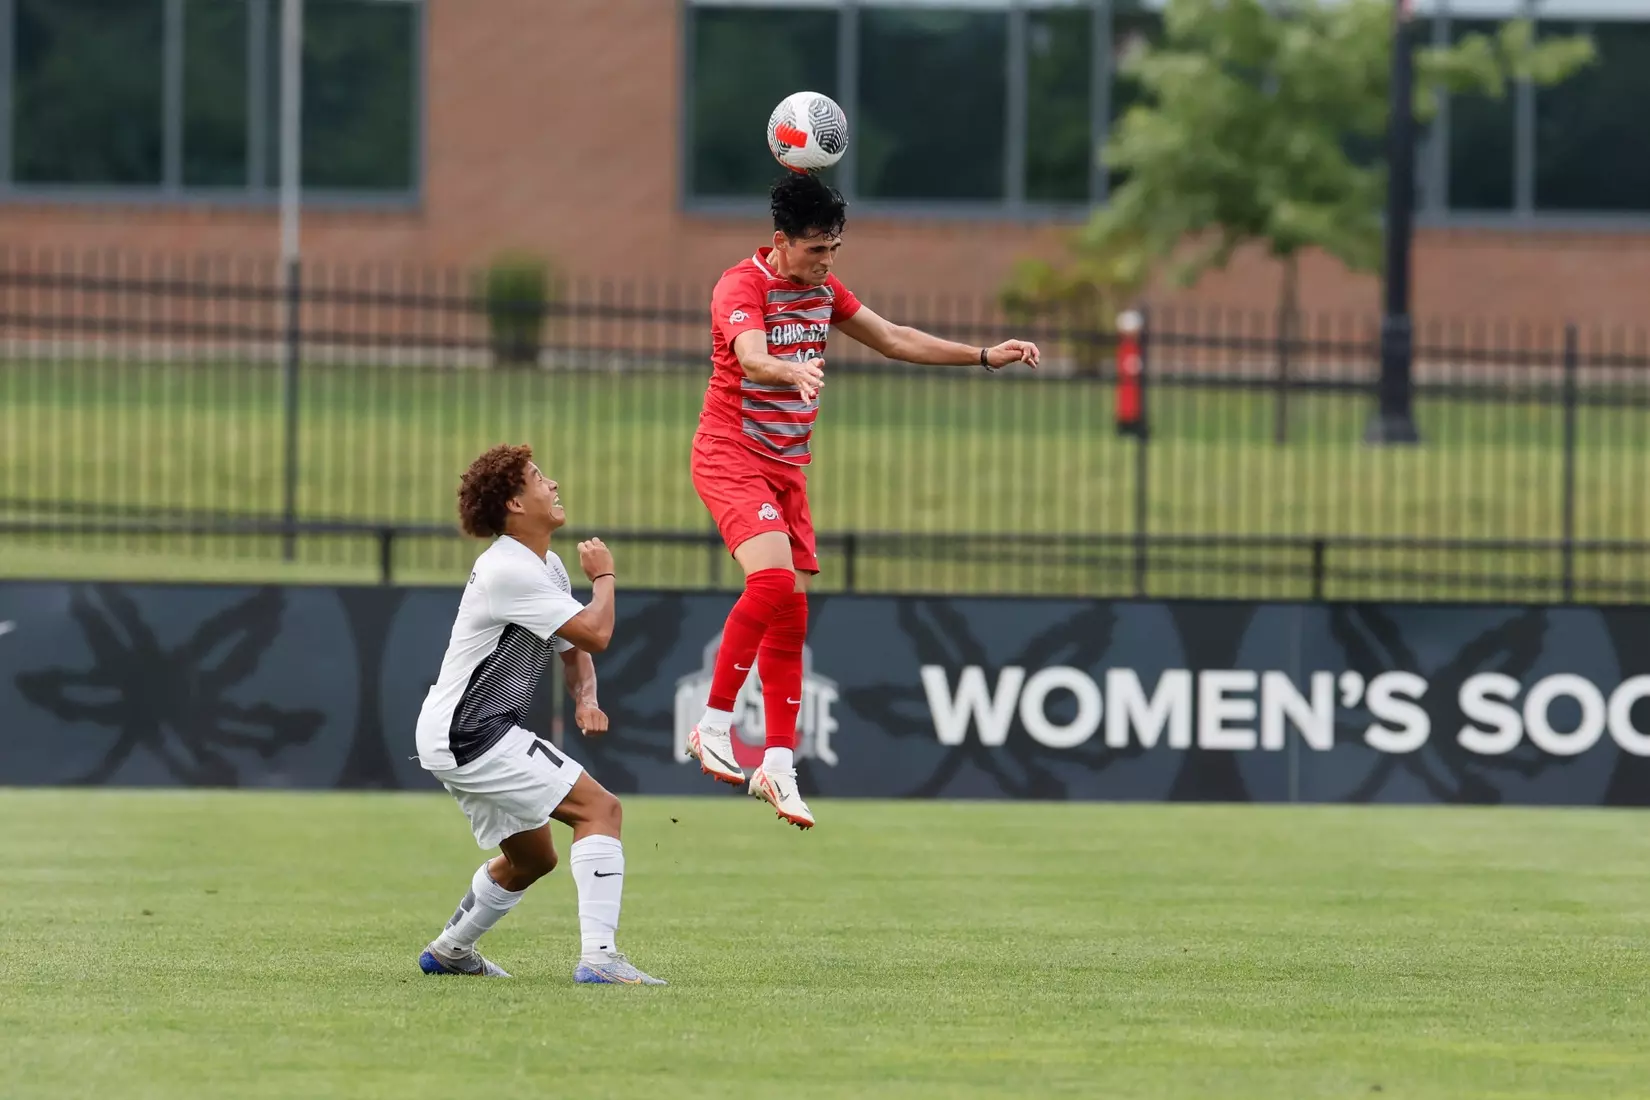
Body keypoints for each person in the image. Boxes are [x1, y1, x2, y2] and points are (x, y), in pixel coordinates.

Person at [685, 173, 1041, 829]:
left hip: (786, 470)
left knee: (791, 618)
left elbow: (897, 338)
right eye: (815, 251)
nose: (826, 263)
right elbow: (753, 357)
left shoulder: (824, 294)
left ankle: (778, 764)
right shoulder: (740, 286)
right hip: (730, 454)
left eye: (833, 251)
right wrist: (791, 369)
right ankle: (712, 723)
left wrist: (985, 356)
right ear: (780, 242)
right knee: (769, 582)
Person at [413, 443, 664, 985]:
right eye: (537, 478)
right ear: (514, 504)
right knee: (601, 810)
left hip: (458, 732)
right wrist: (605, 577)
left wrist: (585, 698)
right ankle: (600, 959)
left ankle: (450, 951)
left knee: (533, 859)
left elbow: (572, 645)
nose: (552, 484)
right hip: (472, 732)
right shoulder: (508, 569)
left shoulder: (541, 565)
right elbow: (596, 631)